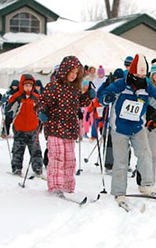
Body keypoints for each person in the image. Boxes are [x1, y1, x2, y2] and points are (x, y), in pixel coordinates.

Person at [98, 53, 156, 206]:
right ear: (132, 72)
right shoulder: (122, 83)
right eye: (137, 73)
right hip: (119, 128)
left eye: (142, 73)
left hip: (137, 127)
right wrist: (106, 98)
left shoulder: (147, 85)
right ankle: (119, 192)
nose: (140, 76)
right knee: (121, 161)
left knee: (145, 155)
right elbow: (105, 95)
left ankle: (146, 185)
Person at [37, 56, 94, 197]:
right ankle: (55, 186)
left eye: (76, 73)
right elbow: (41, 102)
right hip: (54, 126)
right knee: (57, 156)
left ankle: (68, 187)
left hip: (70, 128)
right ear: (64, 71)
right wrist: (41, 111)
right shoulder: (53, 87)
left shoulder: (75, 89)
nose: (73, 76)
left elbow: (81, 103)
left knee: (69, 158)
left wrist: (88, 96)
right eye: (71, 72)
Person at [7, 74, 43, 176]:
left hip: (33, 128)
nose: (28, 88)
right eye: (26, 85)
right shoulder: (17, 97)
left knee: (36, 150)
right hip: (19, 129)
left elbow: (41, 110)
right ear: (22, 85)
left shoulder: (36, 98)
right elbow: (9, 110)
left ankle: (37, 167)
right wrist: (8, 110)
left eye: (30, 86)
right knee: (18, 150)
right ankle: (16, 167)